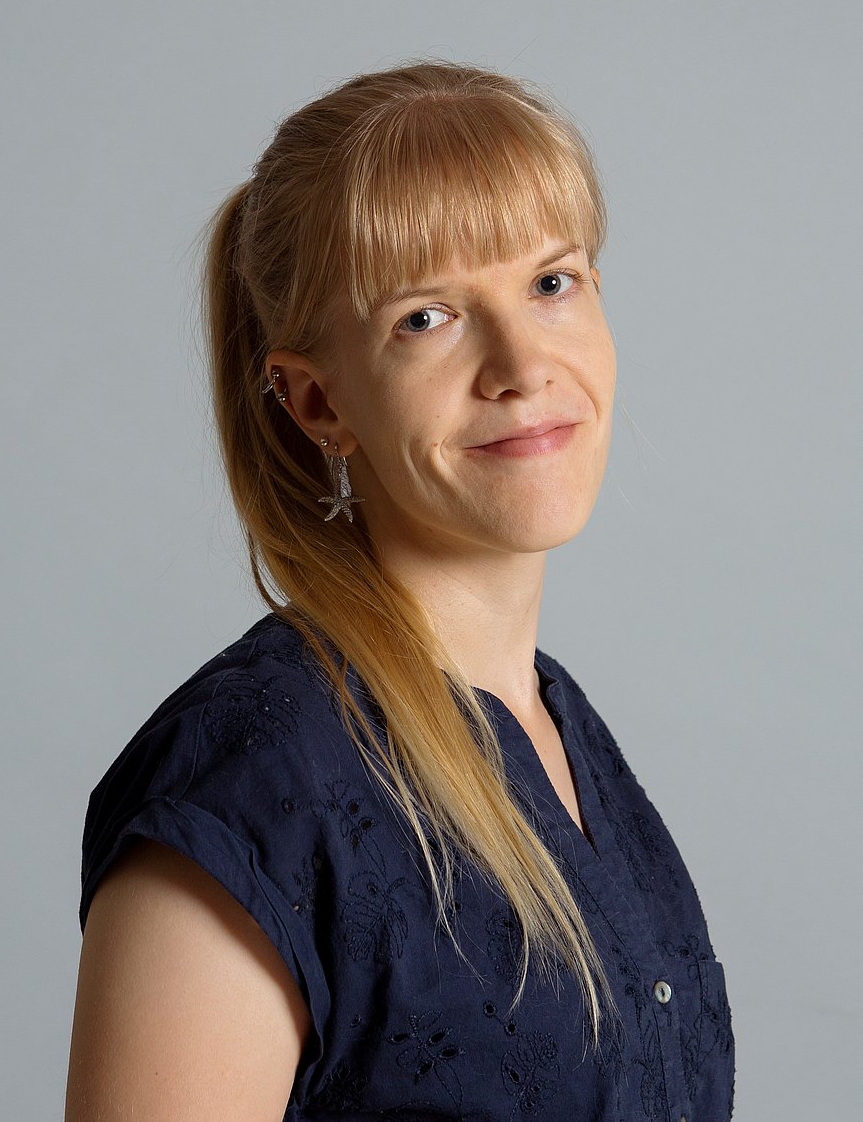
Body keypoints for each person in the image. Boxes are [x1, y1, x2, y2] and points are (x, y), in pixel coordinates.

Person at [65, 59, 735, 1122]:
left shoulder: (564, 733)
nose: (521, 363)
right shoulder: (255, 779)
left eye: (551, 282)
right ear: (317, 400)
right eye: (426, 317)